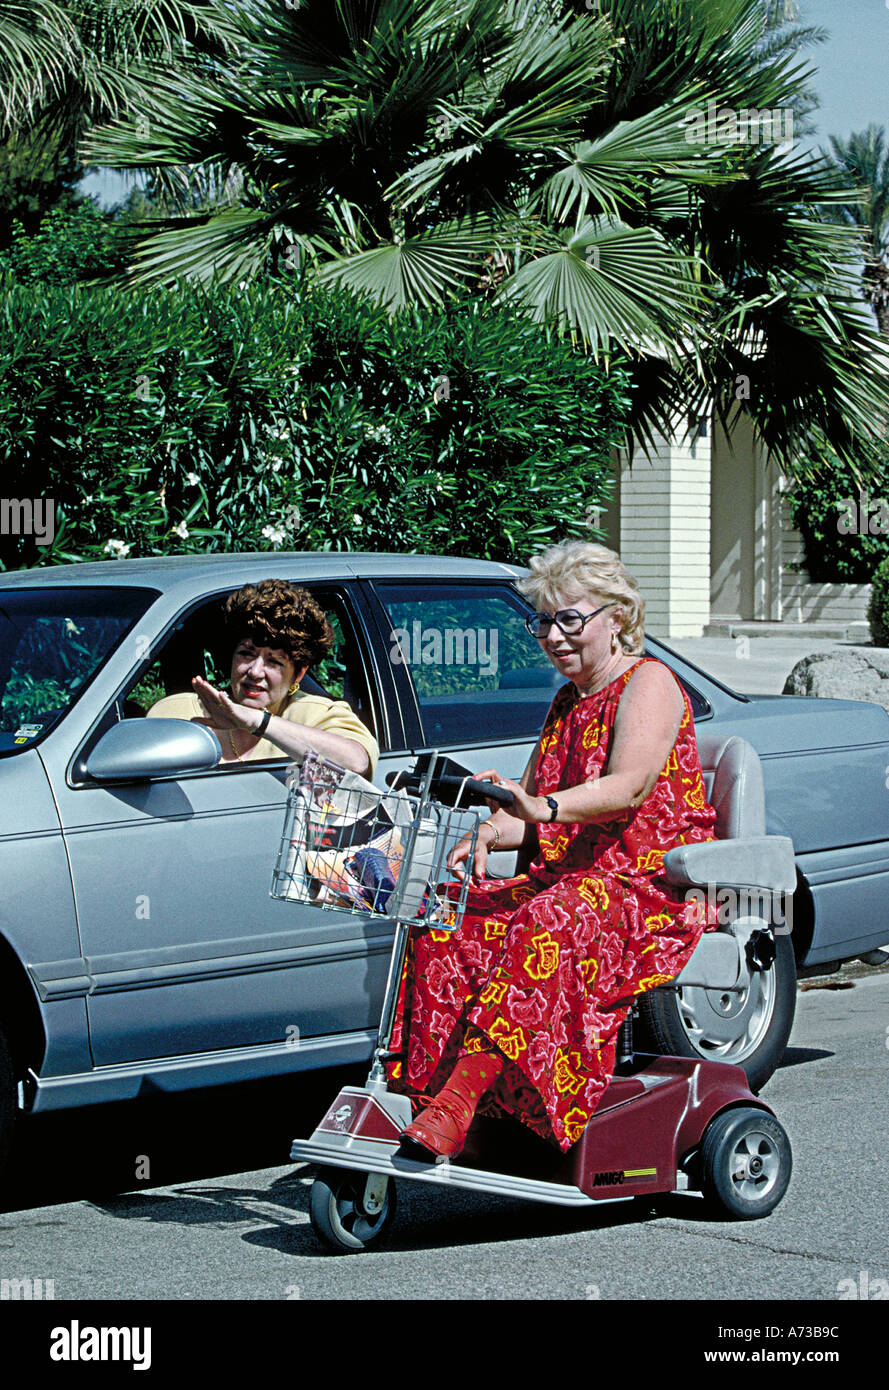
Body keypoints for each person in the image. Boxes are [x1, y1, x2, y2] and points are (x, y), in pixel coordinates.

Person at [391, 540, 718, 1161]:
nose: (552, 635)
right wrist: (490, 828)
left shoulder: (649, 683)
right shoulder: (568, 700)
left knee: (550, 920)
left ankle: (461, 1104)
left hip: (643, 888)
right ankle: (434, 1093)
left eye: (570, 619)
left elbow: (628, 788)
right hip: (574, 877)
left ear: (616, 617)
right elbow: (533, 811)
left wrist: (540, 810)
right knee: (444, 915)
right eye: (543, 621)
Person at [148, 579, 379, 775]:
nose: (255, 671)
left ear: (299, 673)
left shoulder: (315, 714)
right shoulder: (178, 711)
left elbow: (356, 762)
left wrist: (258, 722)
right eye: (247, 654)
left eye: (274, 661)